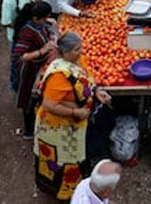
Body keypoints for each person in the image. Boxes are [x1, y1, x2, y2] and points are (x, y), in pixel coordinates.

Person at [35, 32, 112, 200]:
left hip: (75, 125)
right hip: (59, 128)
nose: (81, 51)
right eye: (77, 49)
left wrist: (97, 91)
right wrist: (75, 112)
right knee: (62, 160)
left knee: (75, 157)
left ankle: (77, 187)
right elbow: (49, 105)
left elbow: (87, 80)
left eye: (80, 47)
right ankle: (63, 194)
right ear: (65, 52)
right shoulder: (58, 75)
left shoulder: (75, 62)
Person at [11, 1, 57, 139]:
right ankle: (28, 131)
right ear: (36, 18)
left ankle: (36, 118)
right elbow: (20, 56)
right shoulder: (27, 32)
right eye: (45, 17)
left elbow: (46, 28)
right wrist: (42, 51)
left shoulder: (38, 23)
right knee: (28, 98)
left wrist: (51, 34)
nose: (46, 19)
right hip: (28, 69)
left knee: (36, 96)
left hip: (38, 65)